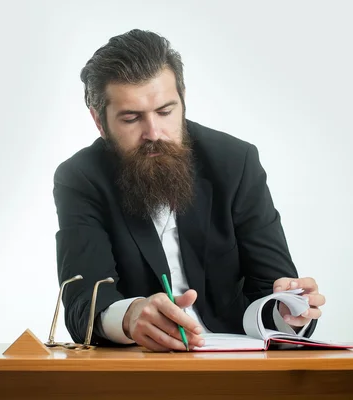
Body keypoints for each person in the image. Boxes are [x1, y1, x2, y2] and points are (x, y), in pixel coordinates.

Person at [53, 29, 325, 352]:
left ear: (183, 100)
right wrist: (130, 316)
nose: (154, 133)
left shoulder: (236, 163)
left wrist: (288, 311)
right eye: (131, 118)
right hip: (141, 371)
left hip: (238, 368)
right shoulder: (80, 178)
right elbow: (83, 305)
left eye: (166, 112)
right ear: (100, 121)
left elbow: (275, 291)